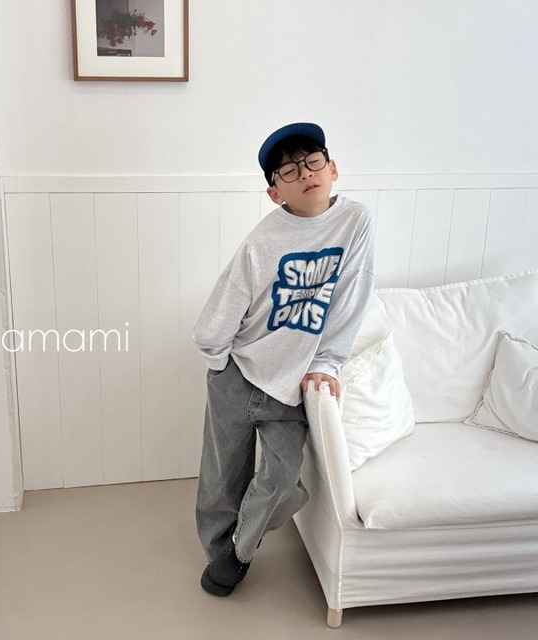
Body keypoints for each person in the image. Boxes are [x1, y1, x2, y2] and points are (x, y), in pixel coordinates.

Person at [192, 122, 375, 596]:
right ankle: (221, 558)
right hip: (236, 373)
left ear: (333, 169)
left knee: (281, 478)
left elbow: (350, 300)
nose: (305, 173)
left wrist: (327, 363)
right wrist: (218, 363)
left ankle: (239, 549)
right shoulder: (262, 240)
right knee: (221, 478)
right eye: (289, 171)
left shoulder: (355, 222)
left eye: (313, 162)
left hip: (290, 386)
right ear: (275, 193)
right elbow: (222, 308)